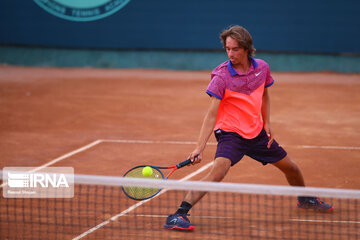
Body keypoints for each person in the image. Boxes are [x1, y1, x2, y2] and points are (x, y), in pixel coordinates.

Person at [163, 25, 333, 231]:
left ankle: (305, 199)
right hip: (230, 133)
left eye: (235, 49)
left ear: (245, 48)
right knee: (218, 171)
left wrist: (267, 122)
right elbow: (210, 115)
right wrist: (199, 147)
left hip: (256, 132)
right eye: (227, 49)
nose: (230, 53)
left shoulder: (261, 68)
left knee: (292, 168)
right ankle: (179, 214)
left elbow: (264, 94)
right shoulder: (221, 76)